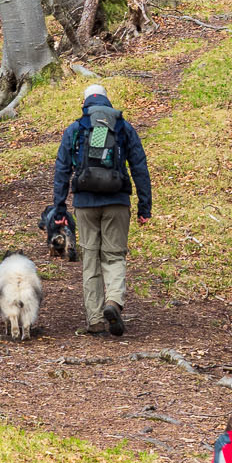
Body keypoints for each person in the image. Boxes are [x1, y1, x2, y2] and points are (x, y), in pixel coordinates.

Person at [51, 83, 151, 337]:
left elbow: (62, 169)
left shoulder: (76, 128)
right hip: (117, 201)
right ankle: (113, 302)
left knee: (90, 260)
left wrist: (60, 207)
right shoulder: (123, 127)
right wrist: (144, 206)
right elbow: (139, 166)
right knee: (114, 256)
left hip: (85, 204)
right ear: (107, 101)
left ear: (84, 103)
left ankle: (95, 320)